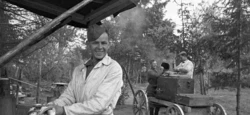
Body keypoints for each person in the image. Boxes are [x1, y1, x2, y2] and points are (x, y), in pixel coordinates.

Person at [38, 24, 123, 115]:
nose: (100, 47)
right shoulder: (79, 70)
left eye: (103, 43)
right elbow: (69, 96)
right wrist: (51, 106)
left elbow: (99, 104)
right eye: (95, 42)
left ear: (108, 45)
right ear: (88, 44)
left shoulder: (113, 68)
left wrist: (64, 110)